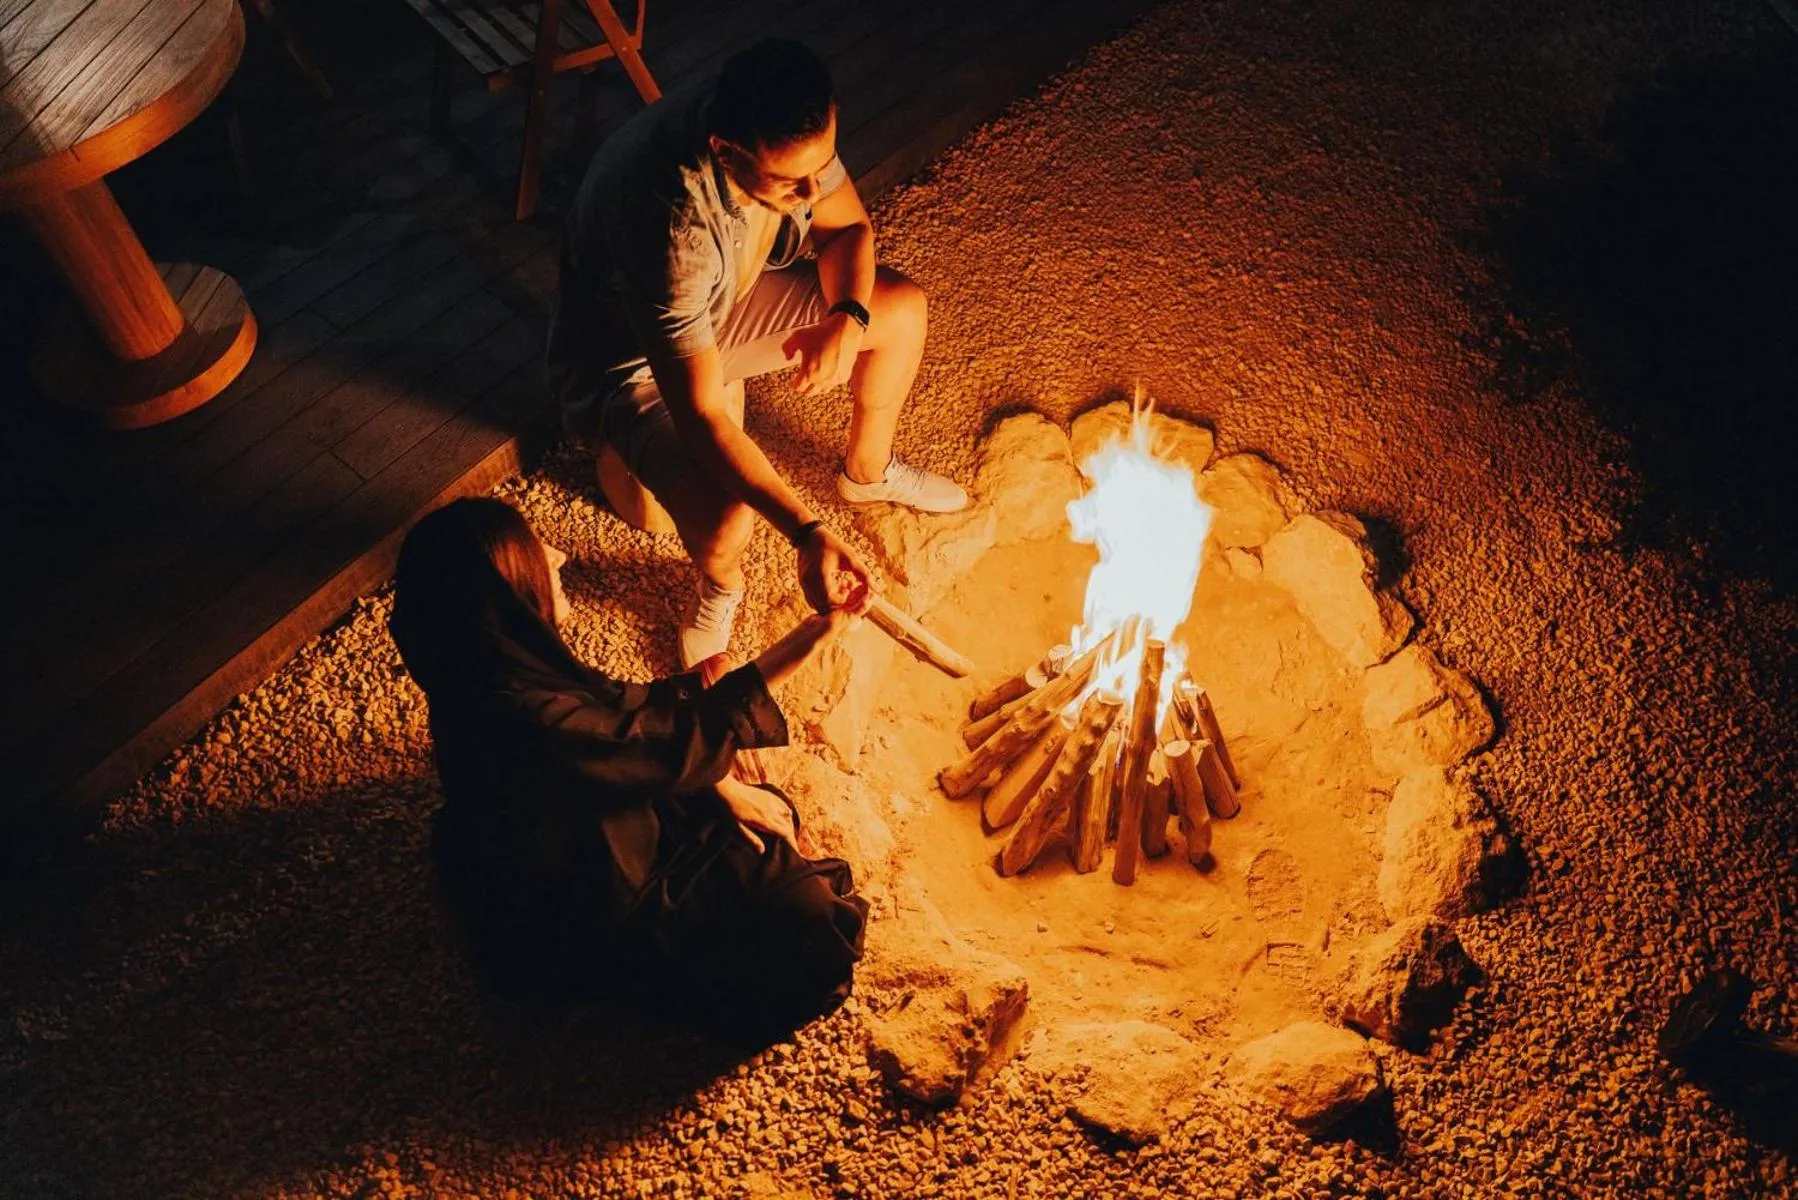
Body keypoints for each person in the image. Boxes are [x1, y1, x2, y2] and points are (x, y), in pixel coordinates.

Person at [548, 37, 969, 669]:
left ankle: (868, 473)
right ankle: (719, 591)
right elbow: (703, 414)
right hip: (633, 363)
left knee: (900, 309)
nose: (810, 191)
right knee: (725, 519)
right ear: (723, 150)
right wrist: (807, 533)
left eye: (820, 166)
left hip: (725, 306)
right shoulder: (672, 227)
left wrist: (847, 320)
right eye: (790, 182)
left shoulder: (779, 126)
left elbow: (848, 227)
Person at [389, 497, 870, 1044]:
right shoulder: (524, 717)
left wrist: (721, 783)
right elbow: (643, 742)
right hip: (595, 897)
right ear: (505, 600)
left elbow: (622, 715)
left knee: (746, 779)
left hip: (594, 804)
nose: (558, 554)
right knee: (807, 918)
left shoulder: (499, 664)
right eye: (534, 555)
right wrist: (810, 639)